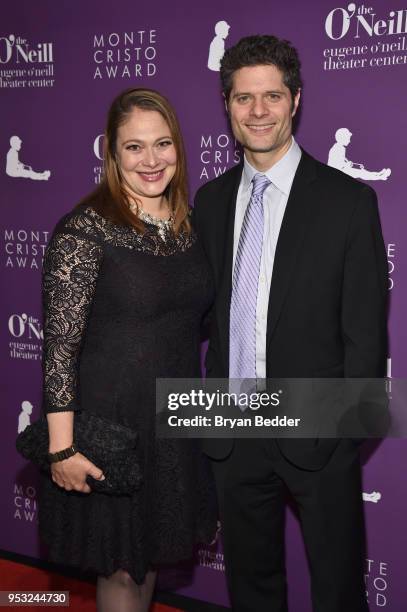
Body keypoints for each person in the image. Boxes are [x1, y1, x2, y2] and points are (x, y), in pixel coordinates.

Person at [193, 35, 388, 612]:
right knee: (251, 589)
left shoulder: (348, 201)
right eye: (243, 98)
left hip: (318, 431)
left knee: (338, 589)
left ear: (295, 100)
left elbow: (366, 330)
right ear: (227, 105)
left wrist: (347, 430)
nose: (258, 112)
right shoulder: (209, 201)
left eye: (271, 96)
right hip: (231, 431)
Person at [40, 87, 217, 612]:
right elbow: (59, 350)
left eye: (162, 144)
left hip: (171, 424)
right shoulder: (83, 232)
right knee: (120, 569)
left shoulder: (188, 229)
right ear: (112, 154)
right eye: (134, 147)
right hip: (111, 428)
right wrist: (62, 449)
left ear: (179, 150)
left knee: (148, 562)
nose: (151, 159)